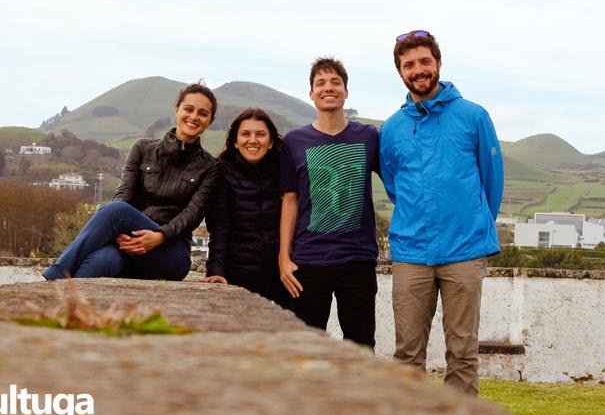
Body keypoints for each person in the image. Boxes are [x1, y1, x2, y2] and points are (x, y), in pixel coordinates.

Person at [380, 30, 504, 395]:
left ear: (437, 63)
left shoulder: (474, 116)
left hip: (464, 252)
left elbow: (491, 182)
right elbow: (394, 185)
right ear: (400, 72)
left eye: (424, 61)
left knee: (463, 353)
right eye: (409, 65)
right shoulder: (392, 128)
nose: (418, 70)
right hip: (410, 253)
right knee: (407, 355)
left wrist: (472, 224)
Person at [42, 82, 219, 281]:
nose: (194, 117)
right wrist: (119, 233)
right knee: (103, 260)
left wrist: (159, 236)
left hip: (171, 253)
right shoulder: (143, 148)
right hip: (130, 241)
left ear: (210, 121)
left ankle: (52, 278)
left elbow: (192, 215)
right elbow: (123, 195)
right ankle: (61, 302)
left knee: (115, 210)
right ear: (177, 109)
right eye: (189, 109)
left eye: (203, 113)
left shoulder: (210, 167)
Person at [279, 57, 380, 348]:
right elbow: (289, 201)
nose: (328, 88)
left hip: (358, 258)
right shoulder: (295, 141)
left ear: (346, 91)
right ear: (311, 93)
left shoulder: (368, 137)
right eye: (320, 83)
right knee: (307, 347)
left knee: (361, 348)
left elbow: (399, 181)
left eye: (336, 82)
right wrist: (284, 258)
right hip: (308, 260)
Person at [203, 108, 290, 307]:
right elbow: (220, 227)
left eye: (260, 134)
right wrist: (215, 270)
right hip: (238, 273)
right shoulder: (222, 172)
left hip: (282, 275)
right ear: (235, 141)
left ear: (271, 142)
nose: (253, 140)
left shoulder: (285, 170)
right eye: (245, 134)